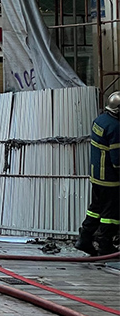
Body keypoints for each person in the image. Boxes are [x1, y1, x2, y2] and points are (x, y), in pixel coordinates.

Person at [76, 91, 119, 256]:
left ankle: (84, 238)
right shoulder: (116, 127)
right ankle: (105, 243)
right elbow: (117, 160)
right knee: (111, 214)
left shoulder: (100, 120)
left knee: (95, 208)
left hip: (97, 175)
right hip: (110, 178)